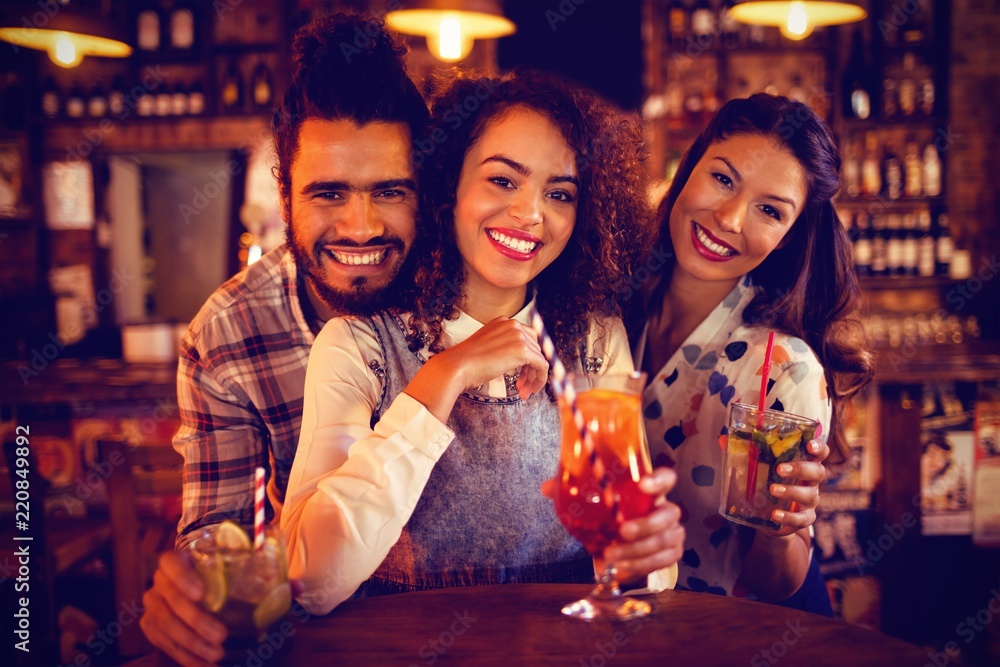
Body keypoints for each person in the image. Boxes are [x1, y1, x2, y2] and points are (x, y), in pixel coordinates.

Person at [281, 70, 684, 615]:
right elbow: (311, 579)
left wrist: (648, 555)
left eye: (559, 193)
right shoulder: (358, 347)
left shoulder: (594, 338)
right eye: (502, 180)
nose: (531, 213)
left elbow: (636, 573)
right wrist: (443, 377)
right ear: (447, 188)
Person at [139, 14, 428, 666]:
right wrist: (191, 586)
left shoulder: (474, 290)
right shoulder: (228, 332)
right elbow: (222, 530)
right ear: (284, 193)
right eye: (328, 193)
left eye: (390, 191)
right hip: (323, 640)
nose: (361, 226)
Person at [631, 93, 873, 614]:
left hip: (719, 640)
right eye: (722, 178)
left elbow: (776, 583)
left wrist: (782, 530)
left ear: (786, 238)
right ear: (689, 165)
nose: (729, 218)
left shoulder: (783, 369)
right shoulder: (610, 312)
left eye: (769, 210)